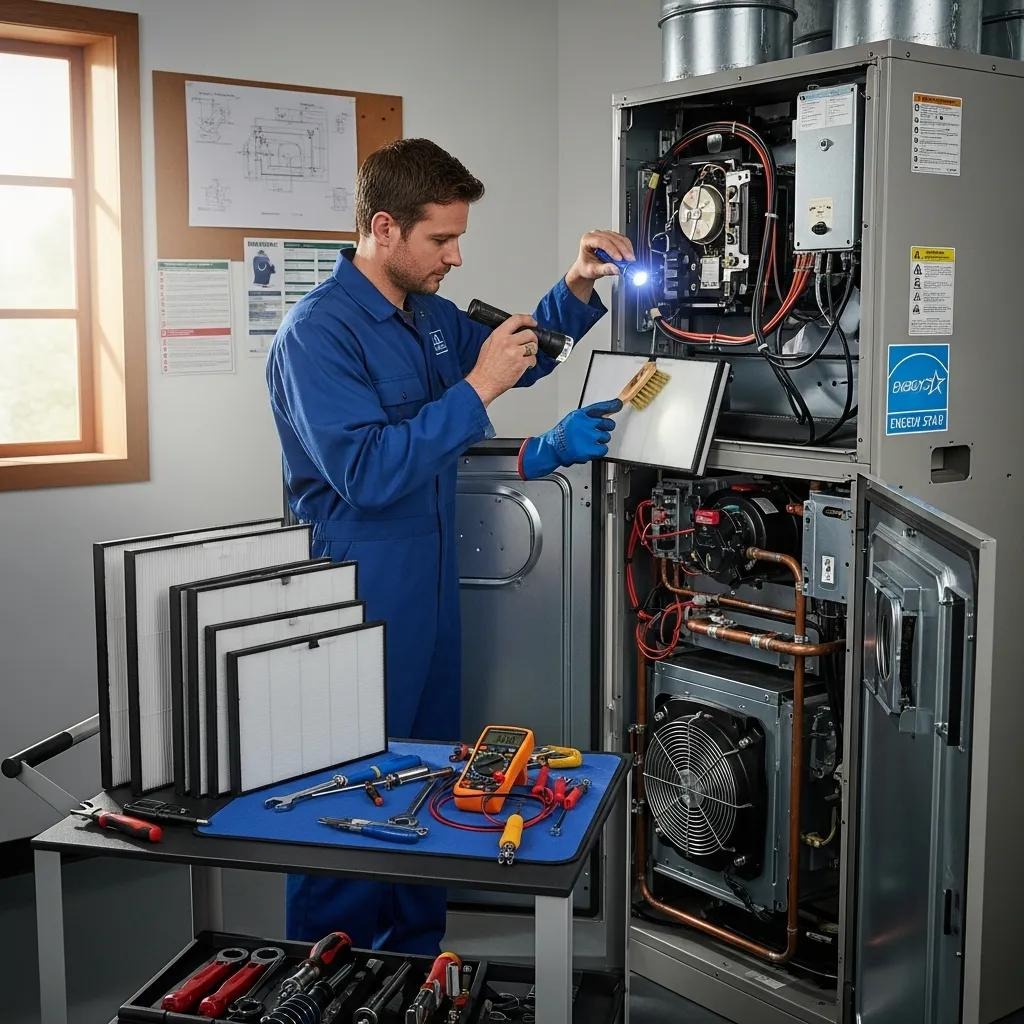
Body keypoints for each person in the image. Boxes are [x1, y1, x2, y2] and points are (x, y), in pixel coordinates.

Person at [266, 137, 633, 955]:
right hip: (356, 586)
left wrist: (576, 286)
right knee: (350, 786)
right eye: (442, 239)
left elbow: (517, 357)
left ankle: (413, 960)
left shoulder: (424, 315)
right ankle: (329, 974)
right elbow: (365, 472)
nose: (455, 257)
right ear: (384, 228)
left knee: (433, 776)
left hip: (430, 584)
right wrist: (477, 389)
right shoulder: (316, 334)